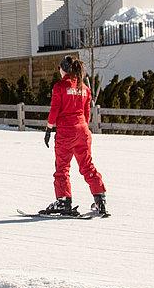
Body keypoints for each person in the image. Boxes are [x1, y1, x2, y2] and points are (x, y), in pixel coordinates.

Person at [41, 55, 107, 218]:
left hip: (66, 132)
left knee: (62, 167)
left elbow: (54, 110)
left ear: (64, 69)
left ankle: (64, 200)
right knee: (87, 165)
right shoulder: (84, 88)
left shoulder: (60, 86)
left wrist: (49, 129)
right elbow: (86, 115)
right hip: (83, 131)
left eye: (60, 69)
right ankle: (100, 198)